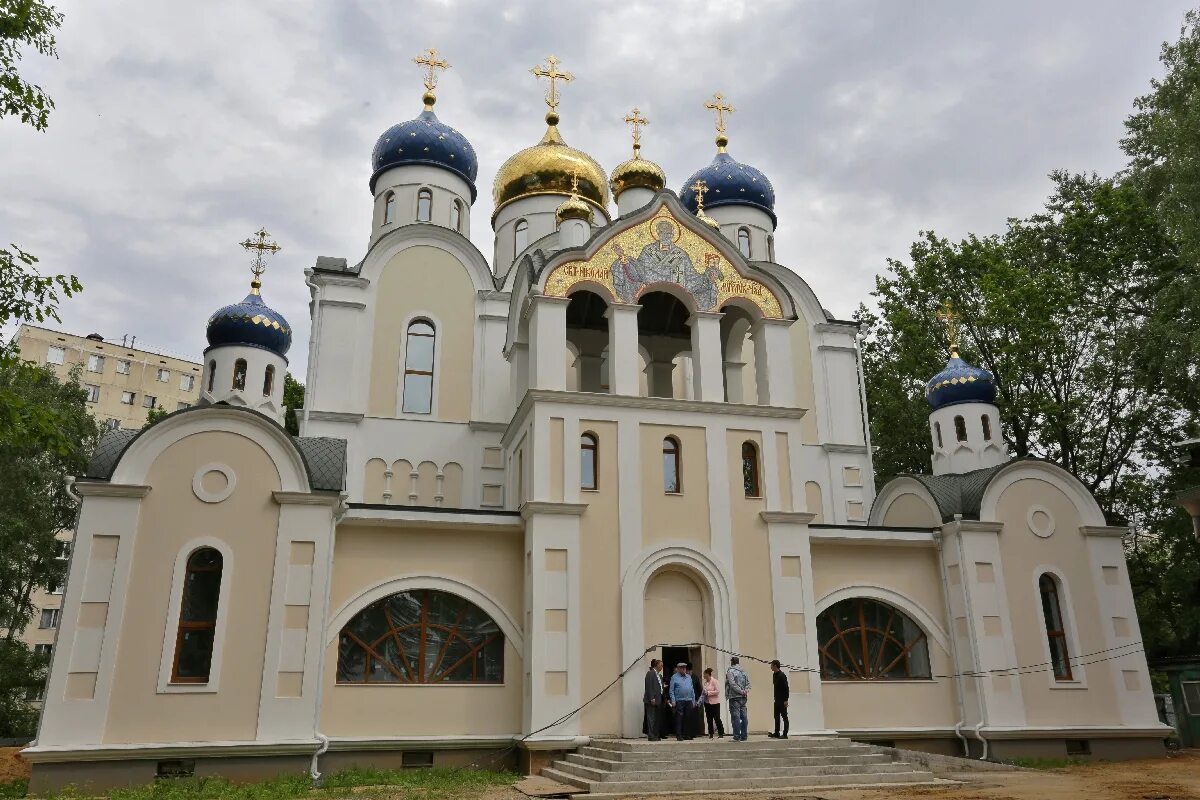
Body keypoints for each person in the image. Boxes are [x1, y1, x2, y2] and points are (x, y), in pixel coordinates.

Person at [667, 662, 696, 741]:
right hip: (679, 700)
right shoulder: (674, 677)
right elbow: (671, 690)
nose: (684, 669)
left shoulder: (689, 677)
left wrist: (693, 700)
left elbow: (692, 689)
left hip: (689, 699)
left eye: (685, 668)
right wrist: (673, 700)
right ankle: (679, 734)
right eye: (682, 668)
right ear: (678, 669)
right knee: (679, 718)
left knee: (688, 717)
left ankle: (686, 734)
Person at [725, 656, 751, 741]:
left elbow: (732, 684)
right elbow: (748, 684)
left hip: (734, 697)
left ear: (732, 662)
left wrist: (740, 691)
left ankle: (736, 736)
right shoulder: (744, 672)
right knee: (744, 717)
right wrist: (745, 691)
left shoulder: (730, 671)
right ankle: (744, 736)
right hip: (743, 697)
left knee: (735, 717)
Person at [768, 659, 790, 739]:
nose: (770, 667)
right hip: (776, 700)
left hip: (782, 700)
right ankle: (776, 732)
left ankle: (785, 734)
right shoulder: (774, 675)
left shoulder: (782, 675)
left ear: (775, 666)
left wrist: (786, 700)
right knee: (776, 716)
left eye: (771, 665)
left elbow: (786, 688)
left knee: (784, 717)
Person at [701, 667, 726, 738]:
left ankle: (721, 733)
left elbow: (717, 691)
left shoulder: (714, 681)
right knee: (709, 718)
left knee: (717, 718)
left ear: (708, 674)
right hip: (707, 703)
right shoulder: (705, 683)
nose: (703, 676)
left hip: (715, 703)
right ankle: (711, 733)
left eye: (704, 674)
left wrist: (708, 693)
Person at [643, 658, 663, 741]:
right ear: (656, 665)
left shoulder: (659, 675)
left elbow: (658, 686)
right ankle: (651, 735)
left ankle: (655, 734)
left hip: (658, 700)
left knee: (655, 719)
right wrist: (652, 698)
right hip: (652, 700)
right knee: (651, 718)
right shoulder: (650, 673)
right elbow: (649, 687)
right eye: (661, 665)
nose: (662, 666)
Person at [686, 663, 704, 738]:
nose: (688, 672)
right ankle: (689, 732)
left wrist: (700, 700)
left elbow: (699, 689)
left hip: (695, 699)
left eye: (689, 671)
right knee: (688, 717)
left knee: (695, 717)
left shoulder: (695, 677)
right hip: (687, 699)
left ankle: (697, 732)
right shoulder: (685, 677)